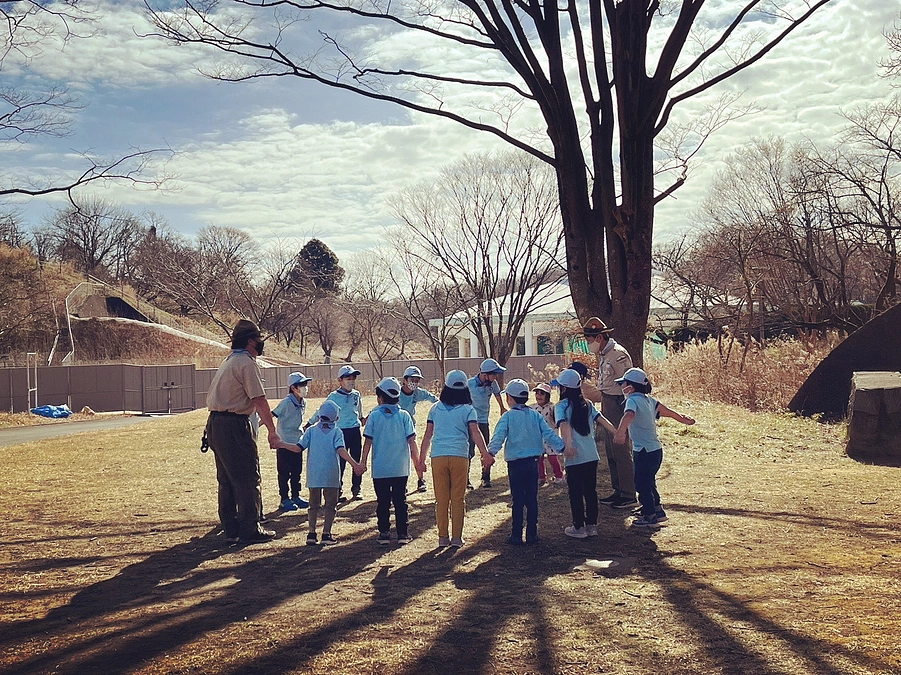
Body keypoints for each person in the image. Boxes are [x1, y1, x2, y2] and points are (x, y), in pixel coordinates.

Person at [205, 319, 281, 545]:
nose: (260, 343)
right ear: (250, 341)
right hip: (234, 425)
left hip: (216, 423)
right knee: (248, 477)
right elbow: (259, 400)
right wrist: (272, 431)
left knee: (226, 478)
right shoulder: (247, 363)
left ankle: (231, 528)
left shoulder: (229, 361)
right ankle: (250, 529)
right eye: (258, 339)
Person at [419, 370, 494, 548]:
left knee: (441, 499)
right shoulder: (469, 409)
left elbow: (428, 435)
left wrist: (421, 460)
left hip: (438, 456)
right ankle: (456, 538)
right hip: (460, 456)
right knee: (458, 499)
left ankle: (442, 538)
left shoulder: (435, 408)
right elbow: (475, 433)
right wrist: (485, 454)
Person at [613, 367, 695, 529]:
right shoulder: (649, 400)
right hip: (655, 450)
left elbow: (629, 415)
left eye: (624, 383)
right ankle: (657, 510)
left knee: (641, 483)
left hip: (643, 450)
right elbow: (668, 412)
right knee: (649, 481)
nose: (622, 387)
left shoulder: (632, 400)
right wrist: (682, 419)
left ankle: (649, 516)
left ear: (632, 386)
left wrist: (621, 432)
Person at [488, 379, 565, 545]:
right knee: (532, 499)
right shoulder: (535, 415)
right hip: (533, 463)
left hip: (515, 465)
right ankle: (532, 534)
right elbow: (549, 434)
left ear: (509, 398)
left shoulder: (507, 417)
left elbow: (498, 437)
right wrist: (562, 447)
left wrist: (489, 454)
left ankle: (516, 534)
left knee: (517, 499)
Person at [578, 317, 638, 510]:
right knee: (611, 452)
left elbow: (629, 384)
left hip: (619, 404)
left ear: (601, 337)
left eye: (590, 339)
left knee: (621, 451)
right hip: (607, 402)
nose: (589, 343)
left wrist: (627, 410)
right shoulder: (604, 354)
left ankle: (629, 494)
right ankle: (618, 490)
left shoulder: (618, 354)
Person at [291, 400, 366, 545]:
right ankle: (326, 534)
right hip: (331, 475)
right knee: (331, 505)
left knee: (313, 505)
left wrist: (280, 444)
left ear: (319, 415)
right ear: (336, 418)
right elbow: (341, 450)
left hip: (314, 476)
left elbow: (298, 448)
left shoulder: (311, 431)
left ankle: (311, 533)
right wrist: (355, 464)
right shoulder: (337, 431)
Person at [552, 368, 616, 539]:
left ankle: (578, 527)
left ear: (564, 389)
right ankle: (592, 526)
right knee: (590, 491)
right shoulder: (587, 404)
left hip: (575, 457)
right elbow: (601, 419)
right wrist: (617, 432)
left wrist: (568, 446)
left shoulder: (561, 406)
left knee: (575, 492)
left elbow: (564, 425)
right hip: (591, 455)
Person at [361, 377, 421, 545]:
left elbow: (367, 442)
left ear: (380, 397)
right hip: (400, 469)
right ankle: (403, 534)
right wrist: (418, 463)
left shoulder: (374, 416)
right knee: (401, 501)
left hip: (380, 469)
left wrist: (362, 463)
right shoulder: (404, 416)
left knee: (383, 502)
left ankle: (384, 533)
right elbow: (412, 441)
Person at [323, 364, 366, 502]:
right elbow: (322, 411)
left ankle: (356, 488)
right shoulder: (333, 396)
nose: (351, 380)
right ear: (340, 380)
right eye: (348, 378)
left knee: (357, 460)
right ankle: (338, 489)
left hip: (355, 431)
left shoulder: (356, 395)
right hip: (340, 432)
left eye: (353, 377)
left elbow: (359, 414)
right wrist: (310, 424)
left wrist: (365, 419)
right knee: (340, 462)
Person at [271, 371, 313, 511]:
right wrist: (261, 430)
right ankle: (284, 499)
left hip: (297, 442)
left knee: (297, 471)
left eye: (305, 384)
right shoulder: (286, 402)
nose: (305, 387)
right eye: (301, 385)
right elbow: (271, 415)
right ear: (293, 388)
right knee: (284, 473)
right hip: (283, 443)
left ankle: (296, 496)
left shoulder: (303, 402)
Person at [467, 358, 507, 488]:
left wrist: (502, 407)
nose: (496, 377)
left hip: (484, 422)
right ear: (485, 374)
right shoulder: (469, 384)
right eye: (494, 374)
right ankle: (465, 479)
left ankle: (486, 477)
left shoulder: (493, 384)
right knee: (468, 451)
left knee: (486, 450)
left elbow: (497, 394)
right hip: (471, 422)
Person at [399, 365, 438, 493]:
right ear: (405, 380)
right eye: (412, 380)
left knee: (415, 454)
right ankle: (401, 483)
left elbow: (433, 399)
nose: (414, 383)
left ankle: (421, 479)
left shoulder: (418, 393)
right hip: (396, 428)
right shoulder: (397, 393)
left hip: (410, 427)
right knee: (399, 456)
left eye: (417, 380)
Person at [530, 383, 564, 486]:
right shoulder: (532, 408)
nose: (538, 396)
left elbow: (556, 421)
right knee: (539, 459)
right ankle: (541, 477)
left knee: (553, 458)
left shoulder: (552, 408)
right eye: (537, 393)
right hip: (538, 438)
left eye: (542, 394)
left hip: (550, 438)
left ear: (547, 396)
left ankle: (559, 476)